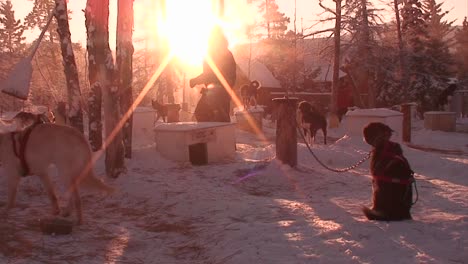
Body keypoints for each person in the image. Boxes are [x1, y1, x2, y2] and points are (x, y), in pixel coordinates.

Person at [362, 122, 414, 221]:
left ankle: (381, 210)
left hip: (388, 211)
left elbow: (377, 178)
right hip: (403, 208)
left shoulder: (383, 152)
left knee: (380, 181)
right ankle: (390, 210)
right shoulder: (393, 148)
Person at [189, 26, 236, 122]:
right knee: (220, 119)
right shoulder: (225, 53)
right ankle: (218, 135)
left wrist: (196, 80)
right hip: (219, 93)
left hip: (215, 93)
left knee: (202, 113)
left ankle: (211, 135)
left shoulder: (215, 53)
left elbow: (211, 74)